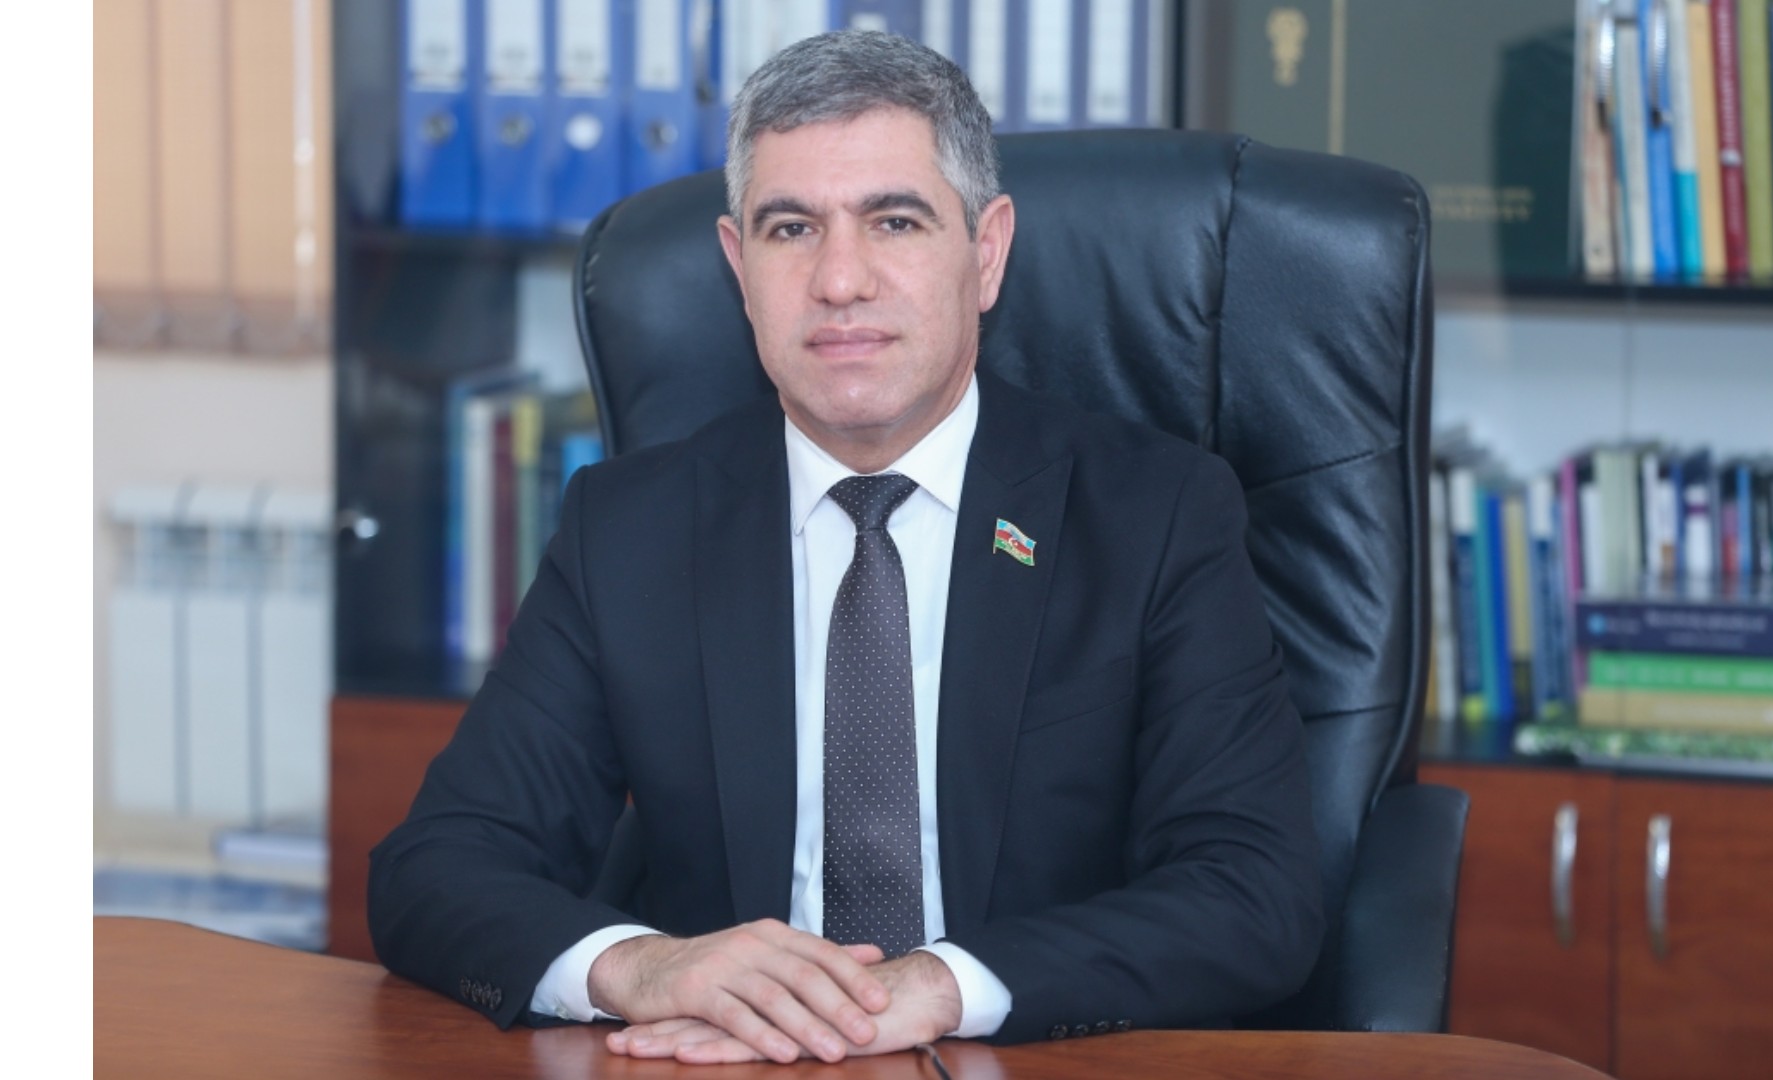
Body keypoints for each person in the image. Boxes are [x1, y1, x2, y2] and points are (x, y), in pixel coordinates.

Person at [368, 30, 1323, 1065]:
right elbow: (435, 868)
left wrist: (941, 987)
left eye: (894, 221)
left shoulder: (1154, 515)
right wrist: (642, 968)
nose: (838, 279)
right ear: (738, 266)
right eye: (791, 228)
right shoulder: (630, 528)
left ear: (986, 252)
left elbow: (1253, 893)